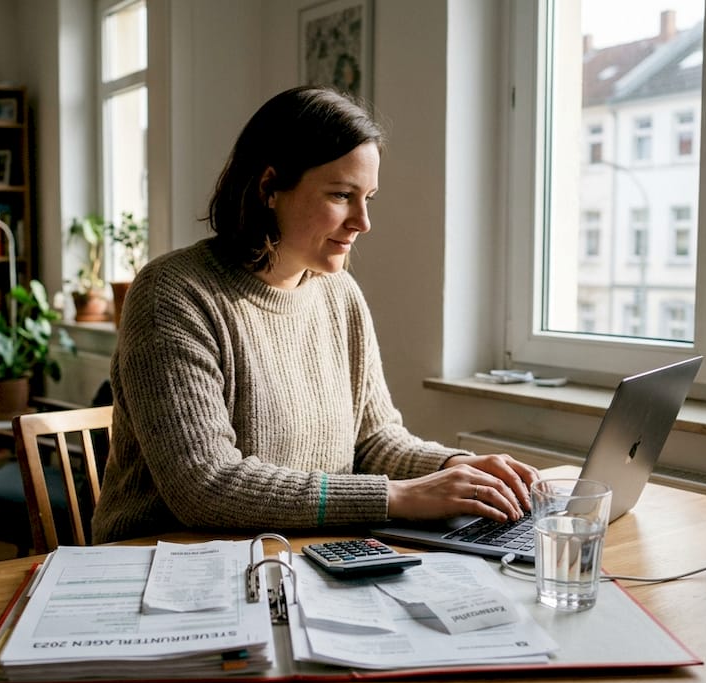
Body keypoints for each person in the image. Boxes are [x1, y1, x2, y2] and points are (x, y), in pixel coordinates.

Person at [91, 86, 538, 544]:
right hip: (163, 561)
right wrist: (397, 496)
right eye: (342, 195)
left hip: (298, 553)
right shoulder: (173, 294)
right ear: (269, 188)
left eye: (369, 198)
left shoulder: (339, 294)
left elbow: (374, 440)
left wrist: (457, 469)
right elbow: (206, 485)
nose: (363, 222)